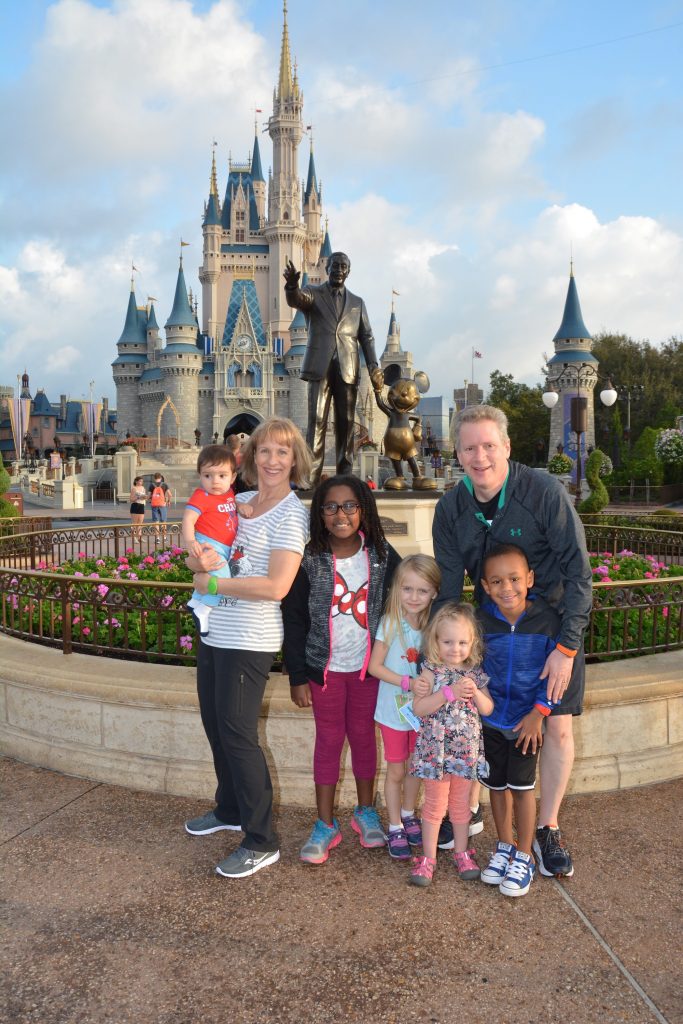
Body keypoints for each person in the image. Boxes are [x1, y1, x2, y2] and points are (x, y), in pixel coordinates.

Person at [432, 404, 592, 878]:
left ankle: (547, 827)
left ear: (505, 447)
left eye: (488, 445)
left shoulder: (541, 492)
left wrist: (565, 649)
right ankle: (476, 807)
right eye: (469, 447)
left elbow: (580, 573)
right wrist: (443, 655)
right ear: (457, 453)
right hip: (492, 634)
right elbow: (446, 590)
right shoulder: (451, 508)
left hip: (551, 629)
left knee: (557, 726)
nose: (479, 456)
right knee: (483, 722)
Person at [183, 418, 311, 879]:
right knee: (216, 725)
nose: (272, 460)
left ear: (295, 459)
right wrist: (196, 558)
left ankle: (262, 840)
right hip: (215, 629)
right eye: (264, 451)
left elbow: (277, 586)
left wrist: (214, 581)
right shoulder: (235, 500)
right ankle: (229, 808)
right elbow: (198, 543)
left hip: (250, 636)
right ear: (249, 457)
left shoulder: (292, 513)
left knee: (238, 733)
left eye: (282, 452)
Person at [282, 475, 401, 865]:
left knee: (364, 738)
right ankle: (324, 822)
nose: (341, 514)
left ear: (363, 509)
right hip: (325, 671)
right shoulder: (309, 559)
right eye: (330, 506)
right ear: (320, 513)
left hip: (369, 671)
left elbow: (407, 598)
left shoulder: (382, 555)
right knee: (329, 741)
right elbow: (295, 619)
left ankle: (366, 813)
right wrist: (297, 675)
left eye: (350, 505)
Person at [477, 544, 561, 897]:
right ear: (485, 586)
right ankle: (505, 846)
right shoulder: (481, 621)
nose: (506, 587)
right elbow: (473, 665)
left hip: (526, 723)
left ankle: (525, 855)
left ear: (529, 579)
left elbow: (556, 676)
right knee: (496, 786)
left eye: (514, 579)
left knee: (523, 789)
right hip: (491, 720)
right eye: (496, 581)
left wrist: (538, 713)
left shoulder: (547, 621)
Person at [408, 603, 493, 887]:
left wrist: (475, 696)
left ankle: (461, 852)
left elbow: (488, 709)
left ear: (472, 644)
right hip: (437, 754)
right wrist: (449, 692)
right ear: (436, 642)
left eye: (462, 642)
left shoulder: (475, 674)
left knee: (460, 805)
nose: (455, 648)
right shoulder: (430, 672)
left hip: (464, 754)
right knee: (434, 805)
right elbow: (419, 708)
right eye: (447, 642)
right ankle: (428, 858)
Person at [283, 252, 384, 485]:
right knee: (317, 420)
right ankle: (310, 476)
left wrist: (373, 366)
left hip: (348, 368)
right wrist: (291, 285)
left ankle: (345, 476)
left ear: (348, 272)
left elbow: (366, 337)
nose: (339, 270)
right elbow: (297, 299)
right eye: (335, 266)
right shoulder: (313, 293)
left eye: (343, 267)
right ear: (327, 269)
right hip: (320, 366)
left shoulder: (357, 303)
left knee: (346, 422)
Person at [368, 555, 441, 860]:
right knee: (397, 768)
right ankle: (395, 824)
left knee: (415, 766)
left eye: (422, 591)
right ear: (397, 589)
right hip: (393, 712)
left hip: (420, 713)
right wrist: (406, 683)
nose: (413, 597)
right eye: (407, 589)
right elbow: (375, 667)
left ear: (434, 593)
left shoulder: (433, 626)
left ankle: (410, 814)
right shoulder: (390, 623)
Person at [182, 445, 251, 636]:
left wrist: (240, 505)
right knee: (223, 579)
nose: (215, 482)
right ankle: (203, 610)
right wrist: (190, 542)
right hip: (209, 545)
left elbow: (230, 502)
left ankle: (195, 601)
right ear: (200, 476)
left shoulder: (229, 494)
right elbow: (188, 519)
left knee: (216, 577)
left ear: (233, 477)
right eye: (208, 476)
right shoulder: (201, 496)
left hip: (224, 546)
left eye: (222, 476)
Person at [149, 472, 172, 539]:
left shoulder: (151, 485)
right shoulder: (164, 484)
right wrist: (168, 501)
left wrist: (147, 498)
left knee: (156, 522)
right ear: (161, 477)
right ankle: (164, 537)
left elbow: (149, 495)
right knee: (163, 521)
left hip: (154, 505)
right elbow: (170, 494)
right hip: (162, 504)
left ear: (154, 478)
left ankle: (157, 538)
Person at [128, 476, 146, 540]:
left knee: (140, 523)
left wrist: (145, 497)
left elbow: (145, 497)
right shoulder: (134, 488)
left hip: (141, 505)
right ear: (136, 481)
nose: (141, 482)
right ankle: (134, 537)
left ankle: (140, 537)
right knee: (135, 523)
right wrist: (138, 497)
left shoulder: (143, 488)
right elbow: (131, 499)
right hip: (135, 505)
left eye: (142, 481)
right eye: (140, 481)